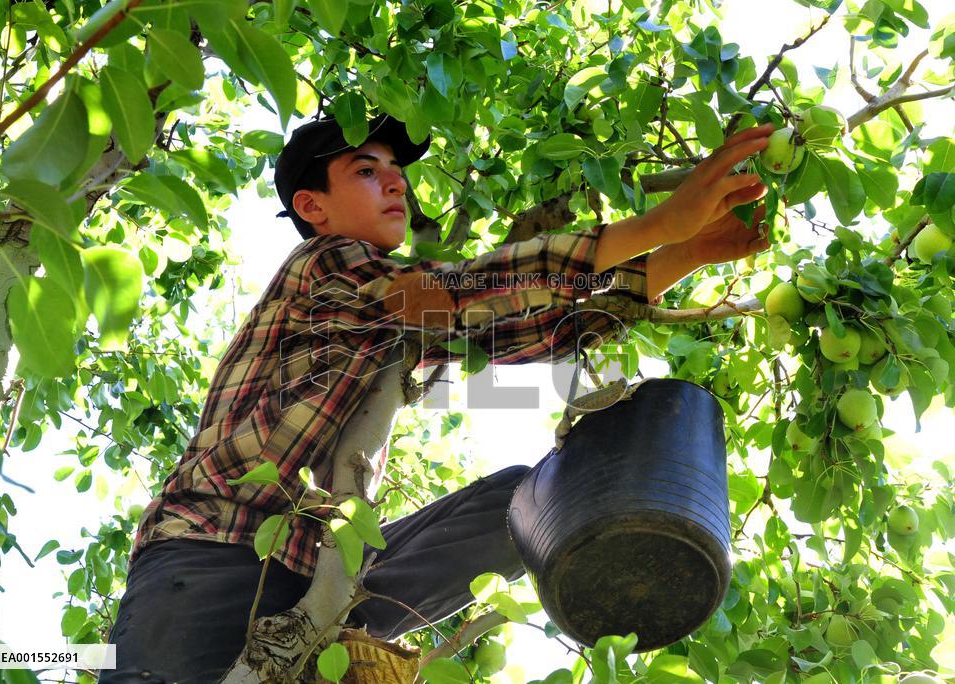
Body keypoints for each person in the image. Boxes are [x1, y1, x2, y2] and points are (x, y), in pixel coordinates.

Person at [100, 113, 772, 683]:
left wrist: (687, 253)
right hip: (212, 559)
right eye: (367, 169)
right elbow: (468, 289)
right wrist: (660, 223)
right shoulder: (327, 266)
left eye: (397, 169)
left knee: (521, 503)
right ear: (313, 207)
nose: (396, 180)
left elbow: (511, 325)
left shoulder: (387, 319)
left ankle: (335, 639)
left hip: (312, 580)